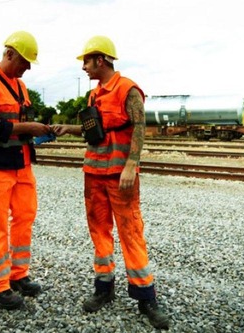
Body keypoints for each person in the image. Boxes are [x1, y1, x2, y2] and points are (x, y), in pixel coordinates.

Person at [51, 35, 169, 330]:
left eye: (86, 62)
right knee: (99, 232)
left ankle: (146, 298)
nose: (84, 68)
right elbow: (96, 132)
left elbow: (140, 127)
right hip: (94, 174)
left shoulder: (128, 89)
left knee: (131, 232)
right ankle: (104, 288)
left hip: (120, 176)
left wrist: (132, 164)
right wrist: (71, 128)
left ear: (100, 60)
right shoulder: (94, 95)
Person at [0, 30, 52, 310]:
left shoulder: (20, 87)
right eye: (24, 62)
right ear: (8, 54)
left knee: (24, 218)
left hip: (21, 163)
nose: (27, 68)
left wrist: (42, 131)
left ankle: (18, 275)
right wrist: (29, 128)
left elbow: (19, 124)